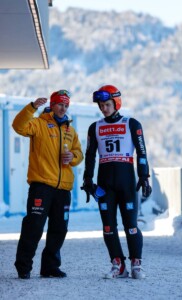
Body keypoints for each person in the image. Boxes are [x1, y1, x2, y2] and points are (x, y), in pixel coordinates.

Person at [82, 85, 152, 279]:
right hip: (105, 184)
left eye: (107, 104)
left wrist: (144, 175)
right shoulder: (94, 127)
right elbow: (90, 155)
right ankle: (118, 264)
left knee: (131, 225)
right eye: (100, 105)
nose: (103, 108)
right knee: (108, 226)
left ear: (116, 102)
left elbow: (142, 152)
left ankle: (136, 263)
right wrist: (87, 178)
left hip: (127, 181)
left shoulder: (132, 124)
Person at [12, 90, 83, 279]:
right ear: (52, 104)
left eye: (66, 105)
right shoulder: (39, 123)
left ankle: (50, 267)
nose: (63, 108)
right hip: (42, 185)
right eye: (60, 104)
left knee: (59, 229)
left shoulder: (70, 130)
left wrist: (73, 157)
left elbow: (79, 153)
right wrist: (32, 107)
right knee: (33, 226)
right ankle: (24, 266)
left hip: (63, 188)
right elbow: (18, 126)